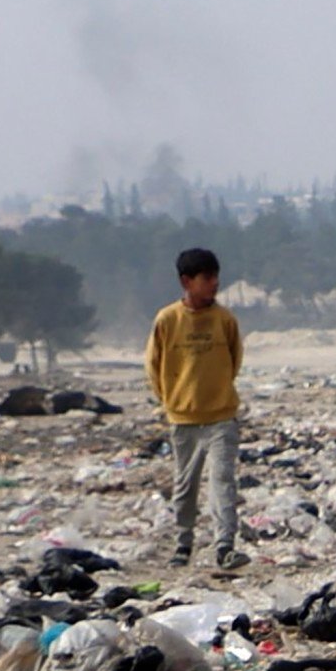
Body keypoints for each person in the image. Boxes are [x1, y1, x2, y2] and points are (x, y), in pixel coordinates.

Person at [144, 245, 246, 572]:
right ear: (187, 281)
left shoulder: (224, 320)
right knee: (185, 484)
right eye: (207, 278)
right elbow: (153, 365)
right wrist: (172, 400)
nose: (214, 283)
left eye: (216, 276)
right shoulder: (167, 320)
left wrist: (216, 393)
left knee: (222, 480)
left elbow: (234, 360)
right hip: (183, 419)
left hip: (221, 417)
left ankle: (225, 545)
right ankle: (183, 542)